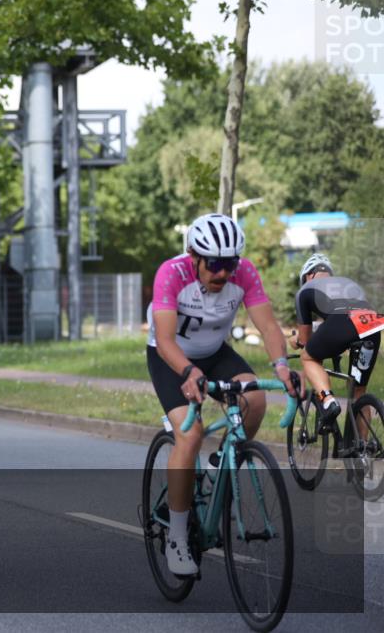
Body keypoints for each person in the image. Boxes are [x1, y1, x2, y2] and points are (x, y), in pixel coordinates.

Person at [146, 213, 300, 576]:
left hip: (215, 352)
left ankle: (219, 465)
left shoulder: (243, 273)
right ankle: (178, 537)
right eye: (213, 264)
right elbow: (166, 340)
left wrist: (281, 367)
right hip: (172, 357)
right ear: (193, 255)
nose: (222, 273)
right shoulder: (172, 273)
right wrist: (187, 371)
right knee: (190, 434)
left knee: (256, 398)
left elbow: (267, 325)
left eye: (229, 264)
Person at [290, 253, 382, 431]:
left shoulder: (304, 291)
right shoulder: (346, 283)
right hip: (372, 323)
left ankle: (328, 401)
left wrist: (296, 340)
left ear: (308, 276)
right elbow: (338, 325)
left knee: (308, 357)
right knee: (358, 390)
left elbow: (306, 339)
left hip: (343, 321)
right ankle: (362, 450)